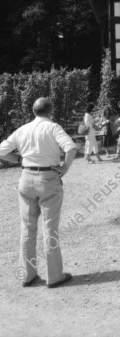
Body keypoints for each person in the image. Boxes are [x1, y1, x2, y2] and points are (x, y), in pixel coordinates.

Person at [0, 97, 77, 288]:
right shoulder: (53, 127)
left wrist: (18, 159)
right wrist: (64, 168)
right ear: (51, 111)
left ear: (33, 111)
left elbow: (1, 151)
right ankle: (54, 276)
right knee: (50, 228)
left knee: (27, 228)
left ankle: (27, 275)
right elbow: (71, 147)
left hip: (26, 178)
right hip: (48, 178)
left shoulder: (22, 129)